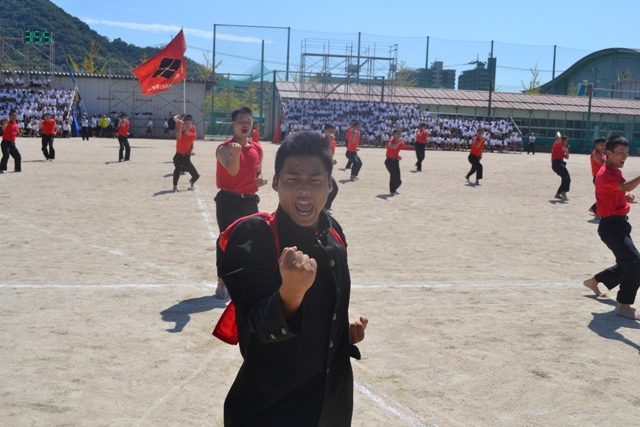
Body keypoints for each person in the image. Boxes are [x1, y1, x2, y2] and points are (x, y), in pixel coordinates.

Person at [219, 130, 368, 426]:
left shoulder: (333, 231)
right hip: (271, 406)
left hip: (333, 402)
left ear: (330, 184)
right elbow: (258, 322)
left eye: (315, 180)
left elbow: (329, 302)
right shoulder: (253, 236)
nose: (304, 190)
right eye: (292, 179)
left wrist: (340, 332)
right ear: (275, 182)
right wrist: (291, 293)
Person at [583, 135, 640, 321]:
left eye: (626, 152)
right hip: (610, 227)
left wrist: (624, 197)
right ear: (608, 153)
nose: (625, 156)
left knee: (628, 263)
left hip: (620, 224)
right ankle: (624, 306)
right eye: (620, 152)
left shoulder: (614, 170)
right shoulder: (606, 173)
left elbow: (615, 192)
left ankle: (594, 281)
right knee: (635, 262)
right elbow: (622, 186)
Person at [214, 106, 268, 299]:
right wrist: (236, 154)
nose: (245, 124)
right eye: (241, 121)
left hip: (250, 201)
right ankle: (222, 280)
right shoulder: (223, 148)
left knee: (251, 241)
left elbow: (258, 172)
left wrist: (259, 181)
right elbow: (232, 171)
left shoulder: (257, 148)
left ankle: (245, 279)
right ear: (233, 124)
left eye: (248, 121)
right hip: (228, 201)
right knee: (226, 240)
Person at [171, 114, 199, 191]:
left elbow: (191, 144)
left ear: (191, 125)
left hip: (186, 158)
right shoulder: (180, 134)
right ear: (183, 126)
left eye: (188, 124)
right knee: (178, 168)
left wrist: (192, 150)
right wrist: (180, 126)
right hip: (178, 157)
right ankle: (175, 186)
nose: (187, 125)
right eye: (185, 124)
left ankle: (191, 181)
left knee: (196, 175)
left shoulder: (193, 135)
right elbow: (179, 136)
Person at [589, 137, 607, 216]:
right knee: (603, 196)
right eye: (602, 145)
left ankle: (594, 209)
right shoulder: (595, 154)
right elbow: (602, 162)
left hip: (603, 177)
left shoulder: (602, 154)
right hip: (598, 178)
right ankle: (597, 211)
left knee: (606, 195)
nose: (603, 147)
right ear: (597, 145)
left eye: (604, 145)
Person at [323, 123, 339, 210]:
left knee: (332, 189)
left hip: (327, 168)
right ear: (325, 131)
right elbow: (321, 153)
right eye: (329, 131)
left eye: (333, 131)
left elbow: (329, 154)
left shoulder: (333, 142)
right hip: (321, 169)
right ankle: (324, 207)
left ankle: (325, 206)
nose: (331, 133)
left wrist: (332, 160)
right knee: (333, 188)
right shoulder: (322, 141)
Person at [551, 133, 570, 201]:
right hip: (557, 163)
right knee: (566, 177)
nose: (567, 142)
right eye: (566, 140)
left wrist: (567, 151)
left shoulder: (563, 148)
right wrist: (558, 132)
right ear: (562, 140)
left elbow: (567, 157)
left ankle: (558, 194)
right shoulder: (558, 144)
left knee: (566, 178)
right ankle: (563, 192)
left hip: (560, 164)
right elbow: (558, 137)